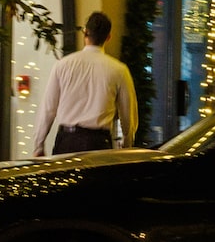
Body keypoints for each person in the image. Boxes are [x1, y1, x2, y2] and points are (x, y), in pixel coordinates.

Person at [35, 11, 138, 155]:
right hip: (99, 143)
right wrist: (127, 143)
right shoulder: (119, 70)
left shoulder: (63, 65)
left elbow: (48, 108)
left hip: (66, 140)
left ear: (85, 33)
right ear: (108, 37)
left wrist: (38, 145)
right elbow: (128, 115)